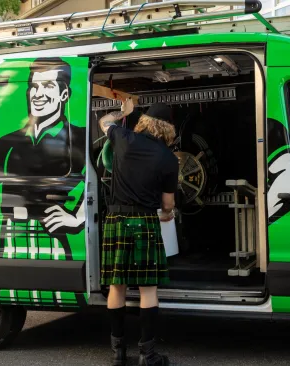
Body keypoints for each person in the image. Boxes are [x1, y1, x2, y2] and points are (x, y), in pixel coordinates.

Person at [0, 57, 86, 261]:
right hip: (13, 235)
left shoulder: (81, 137)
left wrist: (77, 217)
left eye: (47, 86)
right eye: (34, 87)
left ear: (64, 94)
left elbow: (102, 178)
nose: (38, 94)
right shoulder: (8, 141)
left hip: (55, 236)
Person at [98, 98, 178, 366]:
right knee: (147, 289)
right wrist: (168, 215)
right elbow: (167, 204)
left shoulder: (124, 137)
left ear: (144, 121)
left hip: (117, 219)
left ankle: (118, 352)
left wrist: (122, 112)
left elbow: (104, 122)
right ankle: (148, 354)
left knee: (116, 286)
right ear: (168, 129)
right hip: (145, 220)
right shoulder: (168, 158)